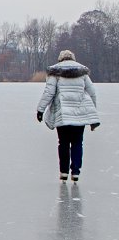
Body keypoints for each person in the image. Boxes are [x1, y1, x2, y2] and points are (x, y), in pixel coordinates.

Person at [37, 50, 101, 182]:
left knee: (63, 143)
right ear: (73, 58)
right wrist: (92, 113)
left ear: (60, 59)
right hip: (80, 114)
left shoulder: (55, 72)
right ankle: (76, 172)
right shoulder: (82, 72)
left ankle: (64, 172)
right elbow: (92, 92)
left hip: (63, 115)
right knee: (78, 142)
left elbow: (49, 92)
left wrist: (40, 110)